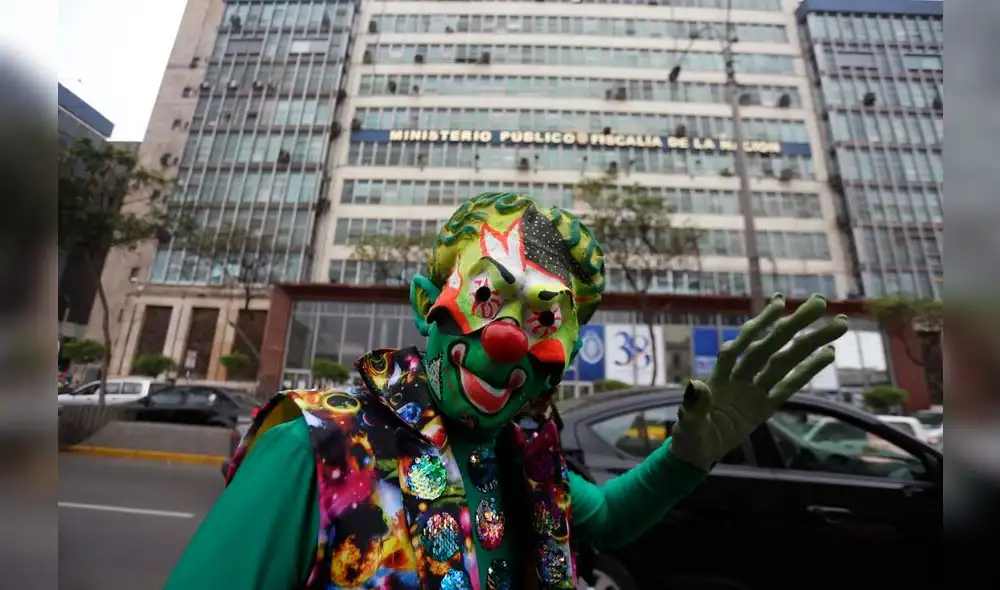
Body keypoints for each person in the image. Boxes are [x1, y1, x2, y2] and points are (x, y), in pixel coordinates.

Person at [166, 192, 847, 590]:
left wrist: (688, 455)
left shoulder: (520, 456)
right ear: (426, 304)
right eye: (488, 298)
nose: (509, 340)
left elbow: (607, 519)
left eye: (545, 319)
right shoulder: (315, 451)